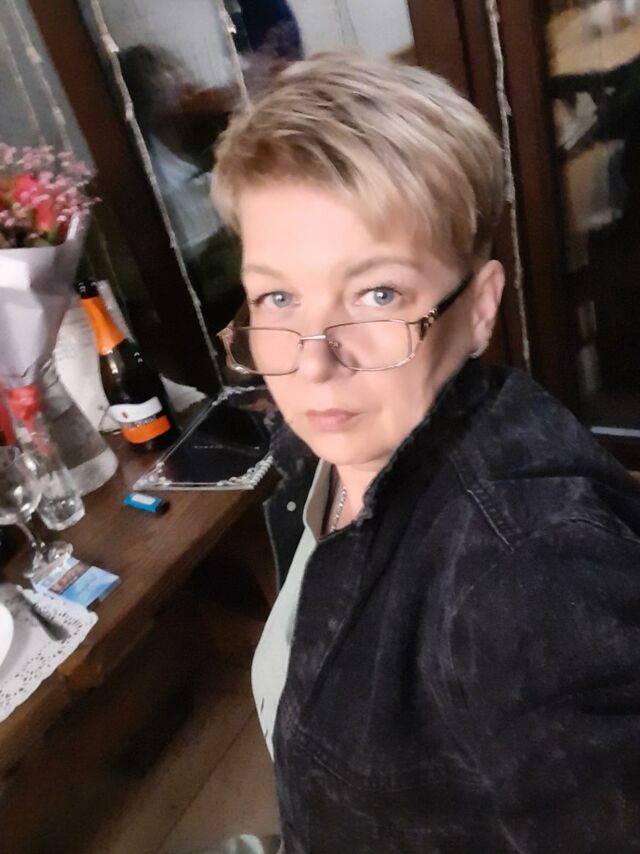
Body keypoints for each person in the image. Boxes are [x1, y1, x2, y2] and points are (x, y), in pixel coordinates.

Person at [211, 51, 640, 853]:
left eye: (378, 294)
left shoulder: (527, 573)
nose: (314, 361)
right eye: (278, 296)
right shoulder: (332, 446)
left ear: (479, 308)